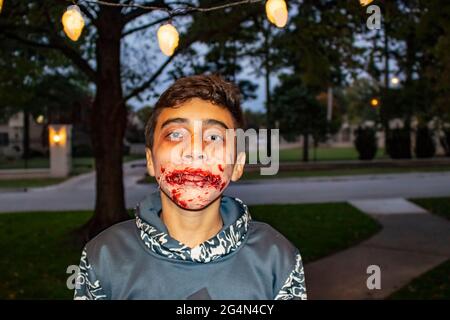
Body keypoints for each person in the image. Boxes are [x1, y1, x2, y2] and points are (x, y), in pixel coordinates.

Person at [74, 74, 307, 300]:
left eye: (214, 137)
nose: (195, 150)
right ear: (150, 161)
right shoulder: (104, 256)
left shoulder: (277, 258)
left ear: (237, 164)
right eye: (175, 134)